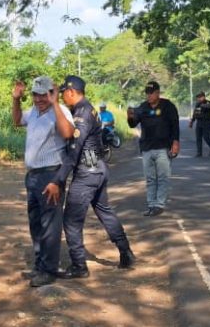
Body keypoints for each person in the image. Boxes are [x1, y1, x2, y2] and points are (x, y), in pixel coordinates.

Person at [51, 75, 138, 277]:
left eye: (63, 93)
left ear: (71, 92)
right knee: (105, 212)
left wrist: (58, 179)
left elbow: (74, 151)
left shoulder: (82, 113)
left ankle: (79, 266)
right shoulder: (88, 108)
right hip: (97, 167)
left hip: (87, 173)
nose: (62, 97)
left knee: (71, 221)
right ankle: (126, 252)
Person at [12, 76, 74, 287]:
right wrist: (16, 100)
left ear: (51, 93)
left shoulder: (60, 111)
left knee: (50, 225)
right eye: (36, 94)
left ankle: (49, 270)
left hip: (51, 176)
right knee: (36, 223)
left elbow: (67, 134)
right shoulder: (35, 113)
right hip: (33, 176)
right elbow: (17, 120)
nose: (39, 99)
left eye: (44, 94)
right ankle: (40, 266)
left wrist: (55, 103)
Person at [126, 80, 179, 216]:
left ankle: (159, 204)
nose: (149, 96)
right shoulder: (143, 107)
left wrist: (175, 142)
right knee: (150, 178)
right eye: (147, 93)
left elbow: (175, 125)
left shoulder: (168, 106)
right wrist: (130, 116)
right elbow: (133, 124)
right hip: (147, 148)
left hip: (163, 147)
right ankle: (151, 204)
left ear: (157, 93)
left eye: (151, 93)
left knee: (163, 177)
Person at [189, 91, 210, 157]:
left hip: (206, 122)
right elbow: (196, 113)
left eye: (199, 97)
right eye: (198, 98)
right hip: (199, 122)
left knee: (206, 137)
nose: (198, 99)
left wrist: (200, 104)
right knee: (198, 138)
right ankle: (199, 153)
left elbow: (208, 107)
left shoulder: (208, 102)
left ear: (203, 97)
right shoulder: (198, 104)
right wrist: (192, 121)